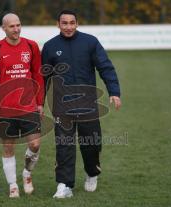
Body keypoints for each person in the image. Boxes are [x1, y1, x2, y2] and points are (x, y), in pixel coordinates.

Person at [42, 10, 121, 198]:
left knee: (91, 142)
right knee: (64, 144)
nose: (68, 26)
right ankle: (64, 184)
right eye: (64, 23)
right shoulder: (50, 46)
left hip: (88, 104)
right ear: (58, 24)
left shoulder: (90, 42)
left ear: (77, 23)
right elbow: (43, 77)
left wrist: (114, 92)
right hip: (62, 106)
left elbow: (105, 67)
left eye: (71, 23)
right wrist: (38, 103)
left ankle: (92, 173)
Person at [0, 13, 44, 198]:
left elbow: (38, 75)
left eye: (18, 25)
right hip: (5, 108)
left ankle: (27, 174)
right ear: (4, 28)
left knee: (35, 144)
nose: (16, 29)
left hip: (28, 106)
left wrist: (40, 102)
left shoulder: (31, 46)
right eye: (12, 26)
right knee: (8, 148)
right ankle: (13, 185)